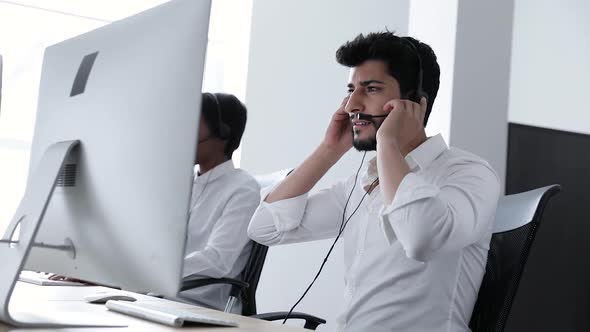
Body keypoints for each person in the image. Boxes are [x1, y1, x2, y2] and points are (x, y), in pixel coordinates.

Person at [247, 32, 501, 331]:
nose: (351, 104)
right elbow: (263, 228)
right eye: (351, 89)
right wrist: (329, 150)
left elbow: (420, 239)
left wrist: (389, 142)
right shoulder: (362, 184)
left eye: (371, 89)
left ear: (413, 103)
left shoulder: (468, 173)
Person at [177, 92, 260, 311]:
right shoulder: (183, 185)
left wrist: (160, 270)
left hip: (201, 306)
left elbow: (218, 259)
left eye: (196, 123)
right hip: (157, 298)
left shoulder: (242, 188)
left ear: (222, 132)